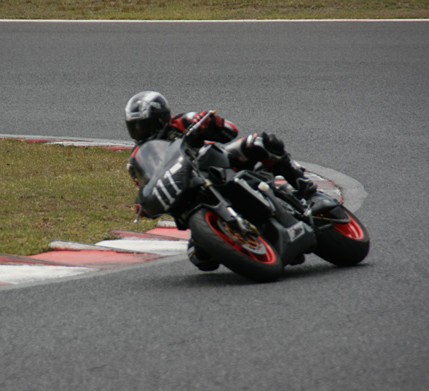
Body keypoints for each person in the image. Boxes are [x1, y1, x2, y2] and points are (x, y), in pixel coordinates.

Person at [124, 90, 318, 271]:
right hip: (189, 193)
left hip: (218, 164)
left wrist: (210, 123)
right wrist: (143, 203)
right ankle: (241, 238)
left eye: (144, 125)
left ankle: (304, 186)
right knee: (201, 258)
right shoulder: (137, 158)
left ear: (160, 118)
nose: (140, 132)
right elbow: (146, 183)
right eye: (135, 128)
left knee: (261, 142)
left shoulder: (182, 121)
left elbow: (230, 130)